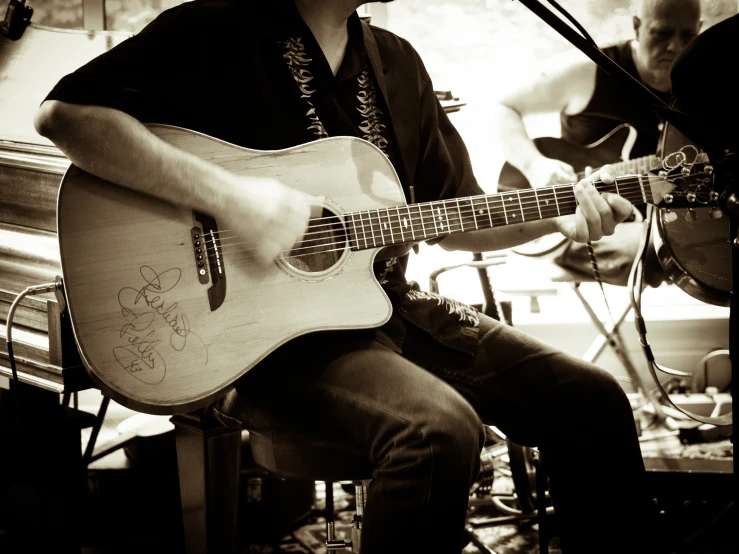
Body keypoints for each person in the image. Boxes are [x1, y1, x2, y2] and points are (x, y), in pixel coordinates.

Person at [34, 1, 651, 553]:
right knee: (436, 429)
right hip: (258, 343)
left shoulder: (396, 63)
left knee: (592, 401)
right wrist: (232, 198)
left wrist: (558, 214)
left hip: (382, 309)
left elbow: (456, 213)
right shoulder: (217, 27)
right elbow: (66, 117)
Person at [491, 0, 702, 190]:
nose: (675, 46)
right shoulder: (590, 70)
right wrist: (533, 165)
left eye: (688, 35)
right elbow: (504, 106)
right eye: (661, 32)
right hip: (586, 219)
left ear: (700, 30)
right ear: (637, 27)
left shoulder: (708, 86)